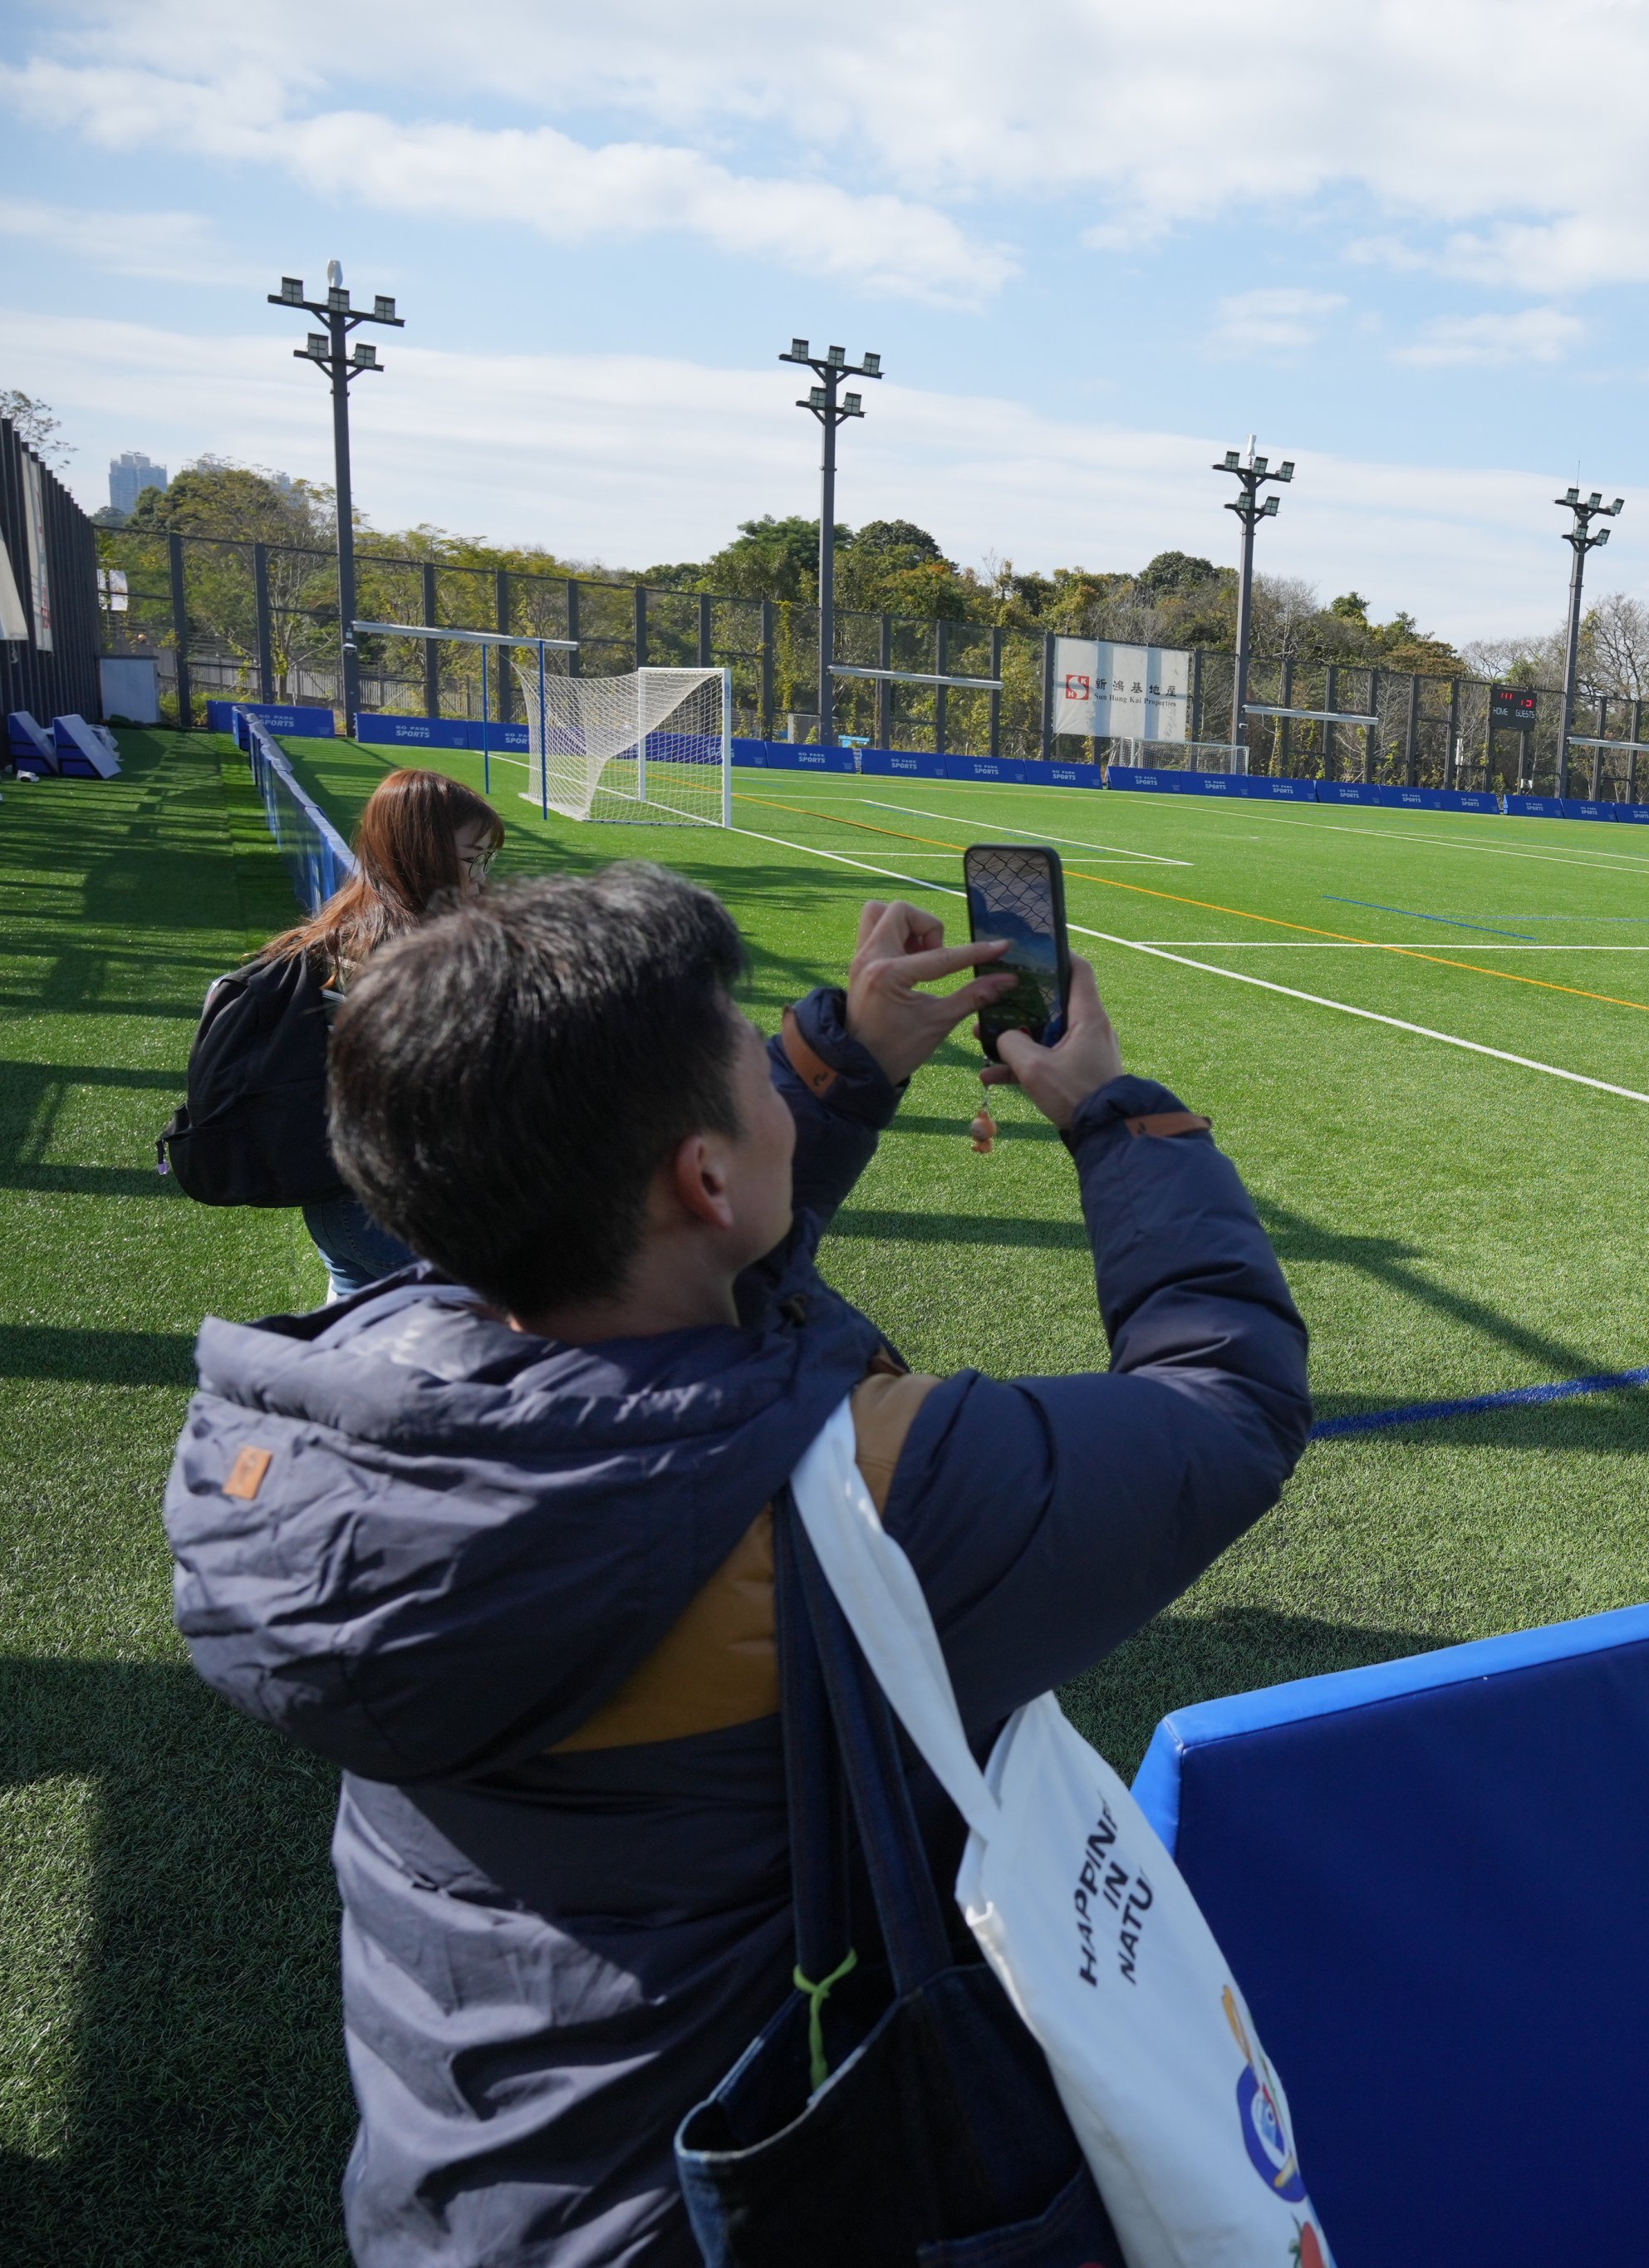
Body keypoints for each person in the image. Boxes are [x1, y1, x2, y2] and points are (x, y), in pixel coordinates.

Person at [158, 862, 1311, 2266]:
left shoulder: (329, 1417)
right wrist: (1125, 1125)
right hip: (751, 2209)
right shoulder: (850, 1499)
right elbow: (1225, 1410)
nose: (774, 1079)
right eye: (752, 1064)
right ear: (704, 1175)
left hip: (465, 2195)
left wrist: (840, 1066)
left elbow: (648, 1291)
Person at [252, 767, 509, 1298]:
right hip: (397, 1209)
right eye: (473, 860)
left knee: (350, 1350)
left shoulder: (342, 929)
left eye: (489, 859)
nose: (484, 877)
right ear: (423, 852)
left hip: (335, 1200)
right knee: (490, 1337)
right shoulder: (415, 960)